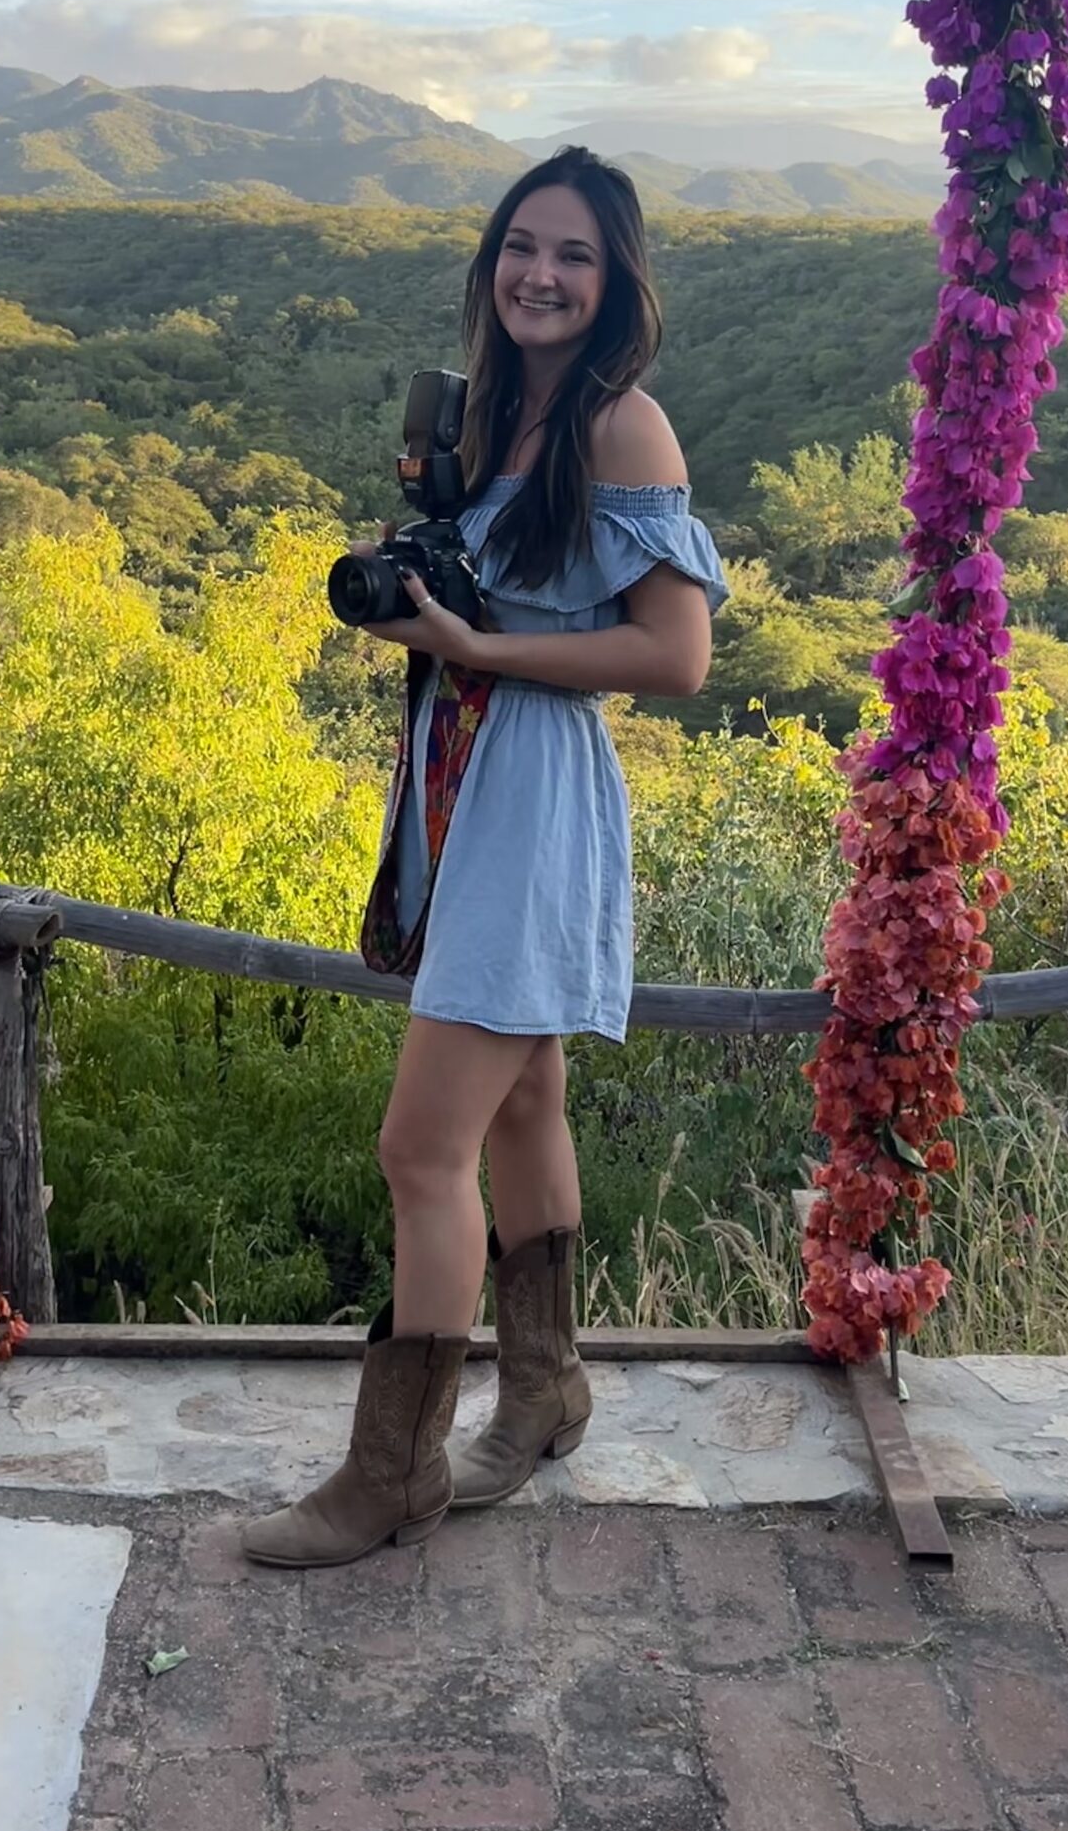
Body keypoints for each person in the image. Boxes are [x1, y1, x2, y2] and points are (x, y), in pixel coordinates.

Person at [241, 148, 728, 1569]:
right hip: (461, 768)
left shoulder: (623, 426)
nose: (541, 274)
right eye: (523, 245)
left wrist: (479, 645)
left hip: (532, 788)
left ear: (616, 280)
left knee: (420, 1147)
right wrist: (433, 611)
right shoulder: (492, 413)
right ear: (491, 260)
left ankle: (391, 1475)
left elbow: (677, 657)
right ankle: (545, 1389)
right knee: (524, 1106)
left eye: (574, 254)